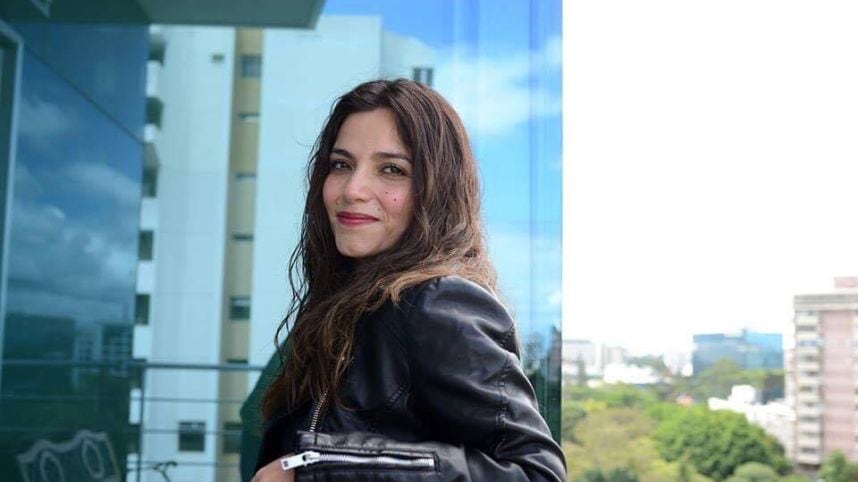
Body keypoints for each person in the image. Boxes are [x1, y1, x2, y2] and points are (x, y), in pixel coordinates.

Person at [250, 79, 566, 482]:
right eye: (341, 164)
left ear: (435, 190)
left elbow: (536, 474)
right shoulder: (344, 310)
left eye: (391, 170)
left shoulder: (437, 303)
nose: (353, 189)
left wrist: (322, 470)